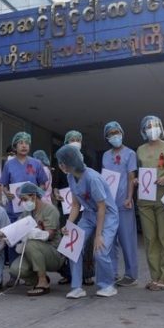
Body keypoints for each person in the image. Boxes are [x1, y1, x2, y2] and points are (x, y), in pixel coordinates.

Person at [56, 144, 119, 299]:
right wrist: (69, 225)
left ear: (68, 163)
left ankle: (108, 285)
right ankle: (77, 287)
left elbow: (102, 208)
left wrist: (98, 235)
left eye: (61, 162)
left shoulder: (93, 178)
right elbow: (76, 205)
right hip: (89, 215)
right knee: (73, 247)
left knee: (100, 250)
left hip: (107, 216)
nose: (60, 165)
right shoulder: (70, 177)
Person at [136, 115, 164, 291]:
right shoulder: (139, 150)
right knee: (149, 239)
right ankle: (154, 277)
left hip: (163, 199)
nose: (151, 129)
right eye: (148, 126)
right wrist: (137, 181)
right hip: (145, 200)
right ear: (143, 130)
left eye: (154, 126)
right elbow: (138, 173)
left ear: (161, 127)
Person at [0, 131, 48, 285]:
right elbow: (3, 185)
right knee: (13, 241)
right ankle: (14, 274)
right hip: (14, 209)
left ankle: (32, 273)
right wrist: (7, 194)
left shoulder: (36, 163)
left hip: (32, 209)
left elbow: (43, 183)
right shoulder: (9, 164)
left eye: (26, 142)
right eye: (20, 142)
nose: (24, 145)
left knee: (32, 240)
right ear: (15, 146)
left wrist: (37, 195)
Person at [53, 130, 96, 286]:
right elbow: (56, 184)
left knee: (87, 240)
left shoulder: (88, 159)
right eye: (72, 139)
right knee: (68, 237)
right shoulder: (60, 162)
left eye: (78, 139)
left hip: (86, 205)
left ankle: (87, 273)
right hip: (67, 205)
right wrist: (56, 191)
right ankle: (69, 273)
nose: (75, 141)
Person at [9, 182, 64, 296]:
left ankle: (43, 282)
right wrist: (4, 234)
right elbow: (16, 229)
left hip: (53, 253)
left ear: (34, 196)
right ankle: (39, 279)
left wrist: (32, 233)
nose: (22, 202)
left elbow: (50, 235)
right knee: (15, 270)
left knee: (31, 244)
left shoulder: (50, 210)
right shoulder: (27, 212)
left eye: (24, 199)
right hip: (33, 251)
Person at [101, 121, 139, 287]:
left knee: (127, 239)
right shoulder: (105, 155)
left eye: (117, 132)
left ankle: (131, 275)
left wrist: (129, 197)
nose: (114, 136)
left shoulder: (130, 154)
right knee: (110, 240)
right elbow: (104, 179)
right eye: (111, 134)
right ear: (107, 137)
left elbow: (131, 177)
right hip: (109, 204)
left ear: (122, 133)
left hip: (124, 203)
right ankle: (112, 273)